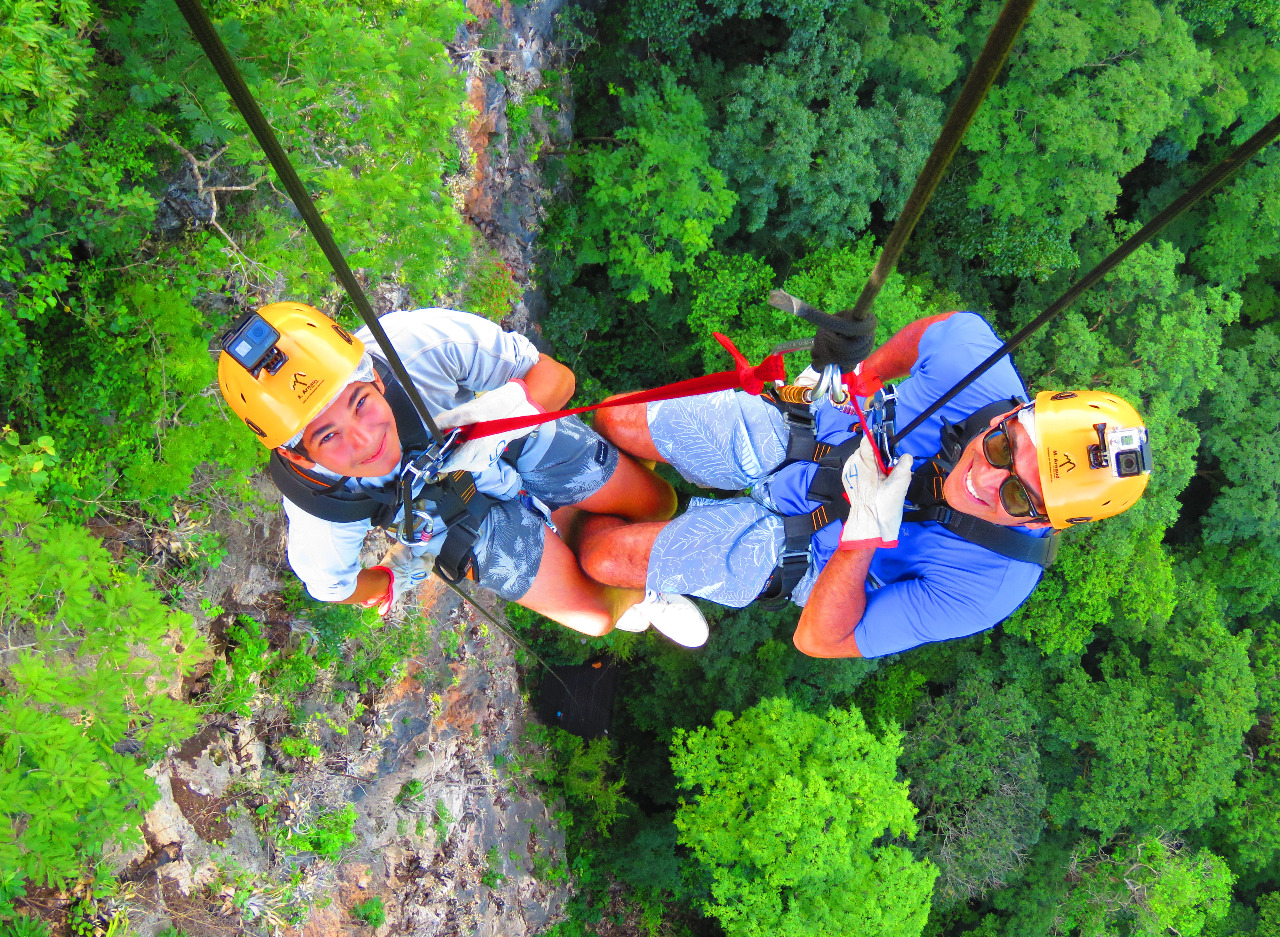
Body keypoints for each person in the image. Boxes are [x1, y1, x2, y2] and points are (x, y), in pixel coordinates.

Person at [576, 310, 1153, 658]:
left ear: (1047, 523)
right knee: (614, 421)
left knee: (603, 558)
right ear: (1015, 412)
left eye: (1019, 496)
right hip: (807, 432)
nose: (984, 475)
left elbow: (820, 640)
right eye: (1005, 446)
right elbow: (935, 333)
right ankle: (651, 505)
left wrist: (863, 534)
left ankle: (643, 589)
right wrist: (860, 373)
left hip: (804, 551)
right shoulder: (975, 364)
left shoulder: (988, 587)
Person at [216, 301, 709, 646]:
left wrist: (497, 419)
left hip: (506, 436)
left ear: (370, 373)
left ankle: (607, 538)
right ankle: (642, 596)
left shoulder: (414, 347)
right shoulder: (322, 507)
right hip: (453, 514)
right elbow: (333, 585)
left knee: (657, 504)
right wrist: (392, 578)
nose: (364, 441)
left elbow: (556, 379)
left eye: (362, 402)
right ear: (298, 456)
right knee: (597, 617)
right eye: (327, 437)